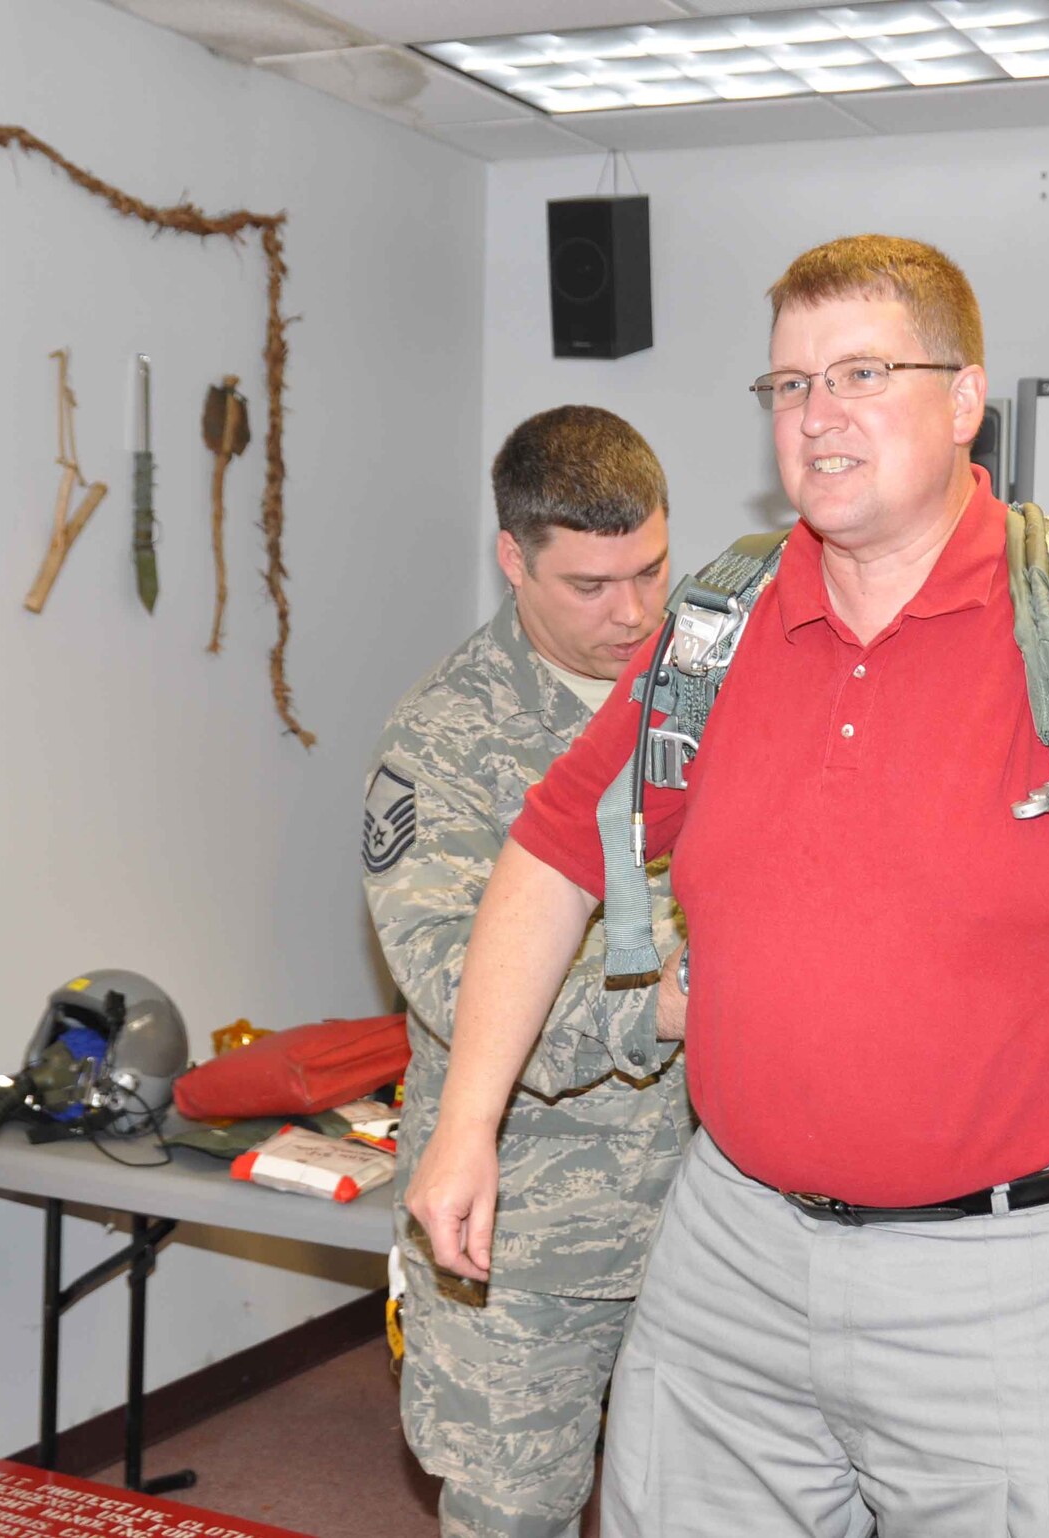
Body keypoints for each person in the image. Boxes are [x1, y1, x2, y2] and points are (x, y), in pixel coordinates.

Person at [406, 236, 1049, 1538]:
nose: (819, 414)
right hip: (733, 1261)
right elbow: (553, 852)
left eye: (863, 370)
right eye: (790, 384)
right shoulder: (719, 629)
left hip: (1034, 1285)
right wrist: (468, 1117)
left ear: (966, 398)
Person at [364, 405, 692, 1538]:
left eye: (649, 569)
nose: (633, 611)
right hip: (528, 1237)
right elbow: (461, 987)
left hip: (713, 1213)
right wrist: (660, 1002)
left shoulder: (709, 694)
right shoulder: (445, 742)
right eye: (591, 584)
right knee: (515, 1516)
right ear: (512, 558)